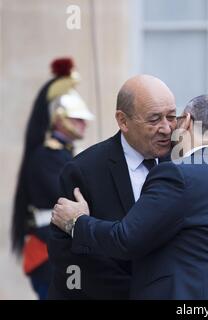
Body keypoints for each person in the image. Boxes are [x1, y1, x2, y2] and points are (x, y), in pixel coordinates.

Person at [47, 75, 208, 299]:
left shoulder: (185, 160)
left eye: (172, 117)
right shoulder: (85, 169)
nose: (166, 129)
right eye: (154, 119)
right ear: (123, 121)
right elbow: (67, 257)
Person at [11, 58, 94, 300]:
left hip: (59, 246)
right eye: (77, 118)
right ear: (59, 118)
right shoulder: (47, 155)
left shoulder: (62, 153)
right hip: (48, 249)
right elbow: (66, 195)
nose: (84, 123)